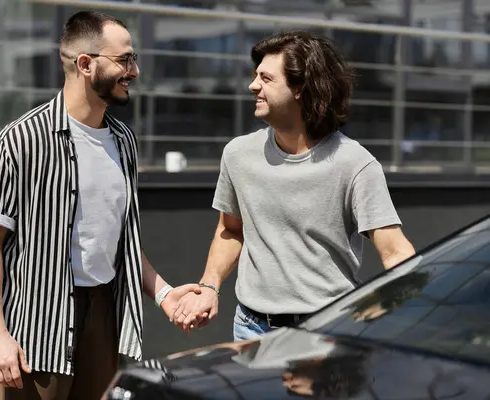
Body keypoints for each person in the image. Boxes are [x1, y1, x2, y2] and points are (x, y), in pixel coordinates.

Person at [0, 10, 201, 400]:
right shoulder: (20, 141)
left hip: (104, 317)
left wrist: (164, 293)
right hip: (36, 327)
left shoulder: (123, 141)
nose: (135, 70)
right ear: (85, 64)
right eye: (125, 59)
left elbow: (121, 239)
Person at [171, 31, 416, 340]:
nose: (253, 85)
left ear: (301, 88)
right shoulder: (238, 155)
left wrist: (380, 309)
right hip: (249, 329)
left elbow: (396, 254)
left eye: (266, 78)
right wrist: (209, 286)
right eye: (255, 75)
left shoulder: (354, 164)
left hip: (324, 331)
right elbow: (231, 229)